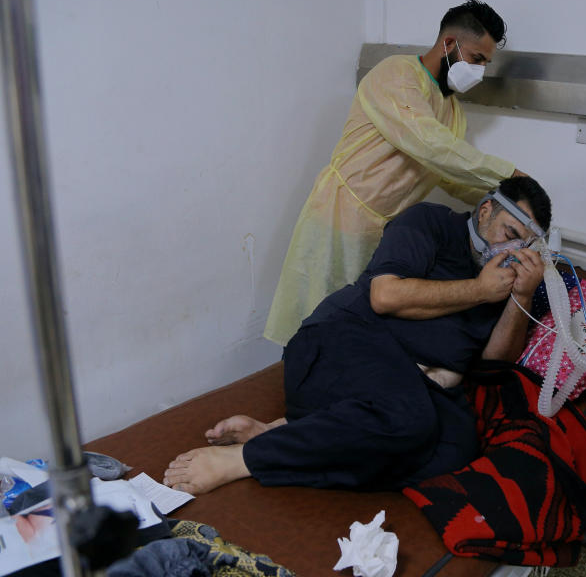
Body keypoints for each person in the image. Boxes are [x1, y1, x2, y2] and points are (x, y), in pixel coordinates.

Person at [164, 176, 551, 495]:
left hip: (404, 387)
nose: (511, 248)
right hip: (343, 342)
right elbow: (384, 296)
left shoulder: (512, 281)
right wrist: (479, 290)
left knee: (456, 452)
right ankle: (243, 460)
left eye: (522, 243)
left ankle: (280, 432)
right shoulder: (430, 223)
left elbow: (493, 365)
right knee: (410, 421)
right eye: (508, 232)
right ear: (485, 211)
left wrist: (521, 294)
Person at [264, 0, 528, 346]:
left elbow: (446, 174)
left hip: (382, 231)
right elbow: (429, 144)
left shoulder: (452, 112)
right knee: (312, 326)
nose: (479, 71)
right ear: (448, 43)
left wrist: (501, 205)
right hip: (340, 217)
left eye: (485, 64)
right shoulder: (396, 75)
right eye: (476, 59)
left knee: (354, 333)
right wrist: (510, 176)